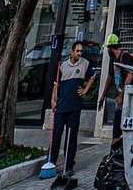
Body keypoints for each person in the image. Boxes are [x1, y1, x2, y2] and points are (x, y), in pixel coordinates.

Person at [49, 39, 95, 188]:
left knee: (71, 137)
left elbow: (93, 76)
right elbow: (56, 85)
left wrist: (86, 89)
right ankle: (51, 162)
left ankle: (69, 165)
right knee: (56, 135)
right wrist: (53, 100)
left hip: (74, 107)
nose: (79, 53)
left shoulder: (85, 64)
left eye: (81, 51)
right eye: (77, 51)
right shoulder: (63, 65)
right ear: (72, 52)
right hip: (61, 106)